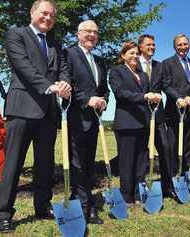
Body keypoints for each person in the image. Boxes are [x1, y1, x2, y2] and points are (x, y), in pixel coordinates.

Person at [0, 0, 71, 233]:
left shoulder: (56, 44)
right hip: (22, 110)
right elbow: (23, 67)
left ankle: (42, 206)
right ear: (33, 13)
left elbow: (63, 68)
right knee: (13, 163)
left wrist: (65, 83)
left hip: (48, 112)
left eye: (51, 15)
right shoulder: (16, 35)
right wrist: (50, 87)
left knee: (45, 164)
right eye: (43, 13)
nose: (47, 18)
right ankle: (4, 213)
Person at [64, 20, 109, 224]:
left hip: (94, 120)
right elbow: (68, 82)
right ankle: (84, 207)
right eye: (87, 31)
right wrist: (86, 99)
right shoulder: (69, 54)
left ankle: (83, 200)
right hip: (76, 118)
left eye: (95, 32)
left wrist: (104, 100)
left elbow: (103, 88)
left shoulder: (100, 61)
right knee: (78, 164)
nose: (91, 35)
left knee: (89, 164)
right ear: (78, 33)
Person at [109, 41, 161, 205]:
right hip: (126, 123)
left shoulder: (143, 74)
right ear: (123, 55)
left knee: (141, 160)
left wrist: (154, 98)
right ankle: (126, 195)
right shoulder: (116, 71)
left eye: (137, 53)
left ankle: (139, 194)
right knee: (126, 161)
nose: (135, 56)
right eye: (131, 53)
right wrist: (144, 97)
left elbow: (147, 95)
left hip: (143, 123)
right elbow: (121, 94)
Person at [138, 34, 178, 197]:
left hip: (158, 116)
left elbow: (167, 86)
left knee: (166, 149)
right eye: (149, 44)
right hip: (139, 116)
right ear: (140, 47)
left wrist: (178, 98)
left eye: (154, 45)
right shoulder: (134, 64)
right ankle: (140, 188)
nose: (152, 47)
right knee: (141, 153)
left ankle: (168, 187)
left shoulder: (159, 66)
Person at [162, 33, 190, 176]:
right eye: (179, 44)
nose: (183, 47)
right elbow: (166, 85)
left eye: (185, 44)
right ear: (175, 46)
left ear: (189, 45)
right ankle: (174, 176)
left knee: (188, 145)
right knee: (173, 146)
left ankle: (185, 174)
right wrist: (178, 98)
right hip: (174, 113)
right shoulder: (167, 63)